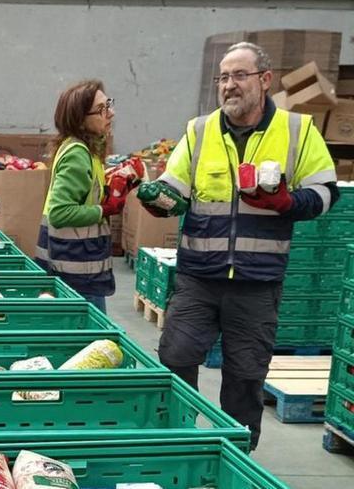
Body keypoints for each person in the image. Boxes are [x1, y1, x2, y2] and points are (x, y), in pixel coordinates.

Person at [142, 42, 338, 450]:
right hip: (199, 276)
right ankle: (178, 442)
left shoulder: (298, 131)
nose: (229, 85)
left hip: (257, 281)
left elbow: (325, 192)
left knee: (245, 376)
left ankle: (234, 457)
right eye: (223, 77)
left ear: (265, 80)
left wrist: (288, 202)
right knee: (176, 355)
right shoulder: (199, 131)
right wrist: (157, 198)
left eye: (239, 76)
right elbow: (173, 188)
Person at [35, 80, 123, 312]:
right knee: (89, 341)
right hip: (74, 270)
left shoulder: (86, 150)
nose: (111, 113)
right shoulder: (78, 154)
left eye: (109, 104)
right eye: (102, 109)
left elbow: (83, 194)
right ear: (80, 119)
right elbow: (60, 212)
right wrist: (105, 210)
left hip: (79, 265)